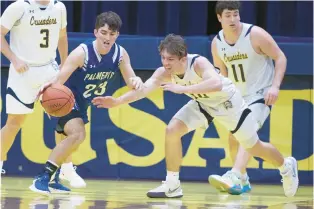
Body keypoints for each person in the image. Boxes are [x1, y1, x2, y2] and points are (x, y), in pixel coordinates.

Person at [92, 34, 299, 198]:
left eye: (170, 59)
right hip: (203, 103)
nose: (166, 63)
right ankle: (172, 184)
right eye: (163, 58)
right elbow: (143, 90)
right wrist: (117, 101)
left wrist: (182, 90)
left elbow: (216, 83)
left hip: (228, 103)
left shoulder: (198, 63)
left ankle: (286, 166)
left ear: (183, 58)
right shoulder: (164, 72)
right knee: (172, 130)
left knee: (254, 146)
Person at [29, 11, 143, 194]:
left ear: (117, 35)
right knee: (78, 134)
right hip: (66, 100)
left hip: (83, 102)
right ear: (96, 32)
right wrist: (47, 93)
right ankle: (43, 177)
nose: (107, 37)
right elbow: (61, 76)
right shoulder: (82, 53)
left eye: (112, 34)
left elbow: (131, 79)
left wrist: (136, 80)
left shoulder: (120, 54)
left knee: (69, 139)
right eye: (104, 32)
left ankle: (56, 177)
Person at [0, 0, 85, 188]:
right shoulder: (18, 7)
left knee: (67, 120)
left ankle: (66, 170)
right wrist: (14, 59)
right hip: (23, 72)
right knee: (14, 123)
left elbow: (62, 37)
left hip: (49, 69)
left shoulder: (59, 7)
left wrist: (64, 63)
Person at [208, 0, 289, 195]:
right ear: (219, 18)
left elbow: (280, 57)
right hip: (238, 96)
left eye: (235, 14)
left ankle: (235, 174)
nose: (233, 19)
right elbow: (223, 76)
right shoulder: (217, 43)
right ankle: (278, 168)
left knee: (247, 129)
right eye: (228, 15)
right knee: (234, 138)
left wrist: (275, 87)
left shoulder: (255, 34)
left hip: (261, 93)